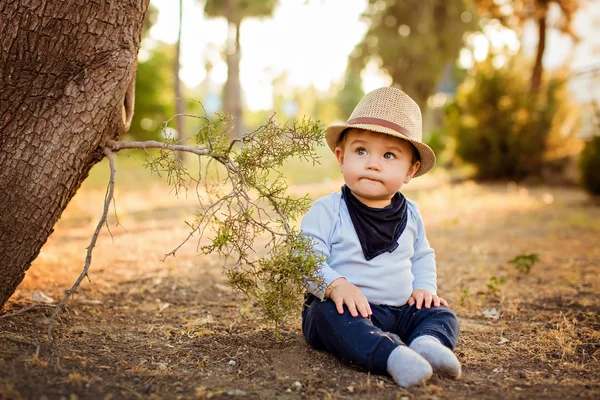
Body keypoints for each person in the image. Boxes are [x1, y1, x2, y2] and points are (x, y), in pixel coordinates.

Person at [300, 87, 461, 388]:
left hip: (397, 311)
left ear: (410, 170)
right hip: (342, 308)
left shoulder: (410, 213)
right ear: (341, 156)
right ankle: (392, 356)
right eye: (361, 151)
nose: (373, 163)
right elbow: (304, 258)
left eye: (389, 155)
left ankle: (427, 342)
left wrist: (424, 288)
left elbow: (422, 254)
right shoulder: (328, 210)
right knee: (323, 315)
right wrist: (335, 285)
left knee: (442, 313)